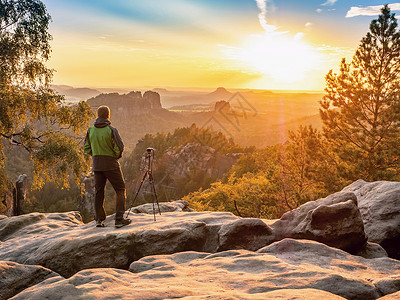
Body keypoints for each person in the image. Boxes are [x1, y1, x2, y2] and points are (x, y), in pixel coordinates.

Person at [84, 105, 131, 228]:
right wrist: (114, 156)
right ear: (108, 115)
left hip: (97, 165)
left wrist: (95, 155)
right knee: (120, 189)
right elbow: (119, 147)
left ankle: (99, 220)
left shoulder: (90, 130)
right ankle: (119, 219)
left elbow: (86, 148)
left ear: (98, 116)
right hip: (111, 164)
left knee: (99, 192)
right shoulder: (111, 130)